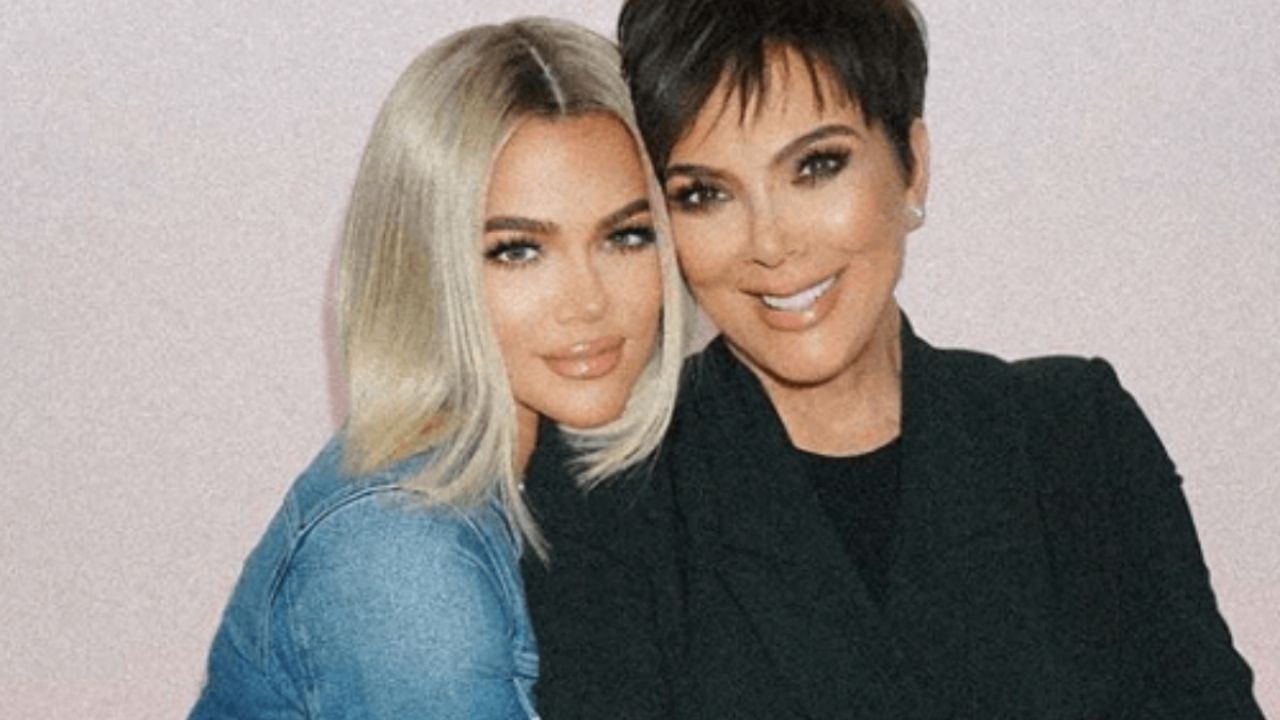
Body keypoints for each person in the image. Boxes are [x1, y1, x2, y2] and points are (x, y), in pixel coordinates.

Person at [520, 1, 1265, 718]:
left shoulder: (1073, 434)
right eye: (706, 194)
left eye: (816, 166)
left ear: (913, 168)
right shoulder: (610, 487)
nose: (770, 243)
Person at [188, 17, 685, 719]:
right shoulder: (401, 554)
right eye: (517, 250)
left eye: (626, 236)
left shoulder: (528, 479)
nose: (588, 302)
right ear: (424, 264)